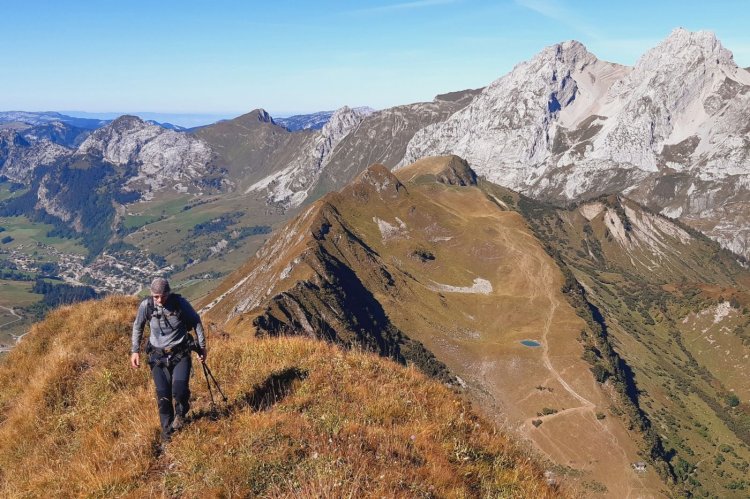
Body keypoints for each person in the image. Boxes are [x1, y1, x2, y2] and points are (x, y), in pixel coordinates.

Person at [131, 277, 206, 442]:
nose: (158, 300)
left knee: (179, 391)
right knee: (163, 397)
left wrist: (202, 347)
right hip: (157, 356)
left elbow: (196, 321)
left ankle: (181, 411)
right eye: (155, 296)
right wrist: (135, 351)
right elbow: (138, 325)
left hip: (180, 353)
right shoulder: (147, 306)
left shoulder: (180, 303)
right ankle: (167, 434)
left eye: (162, 296)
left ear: (168, 293)